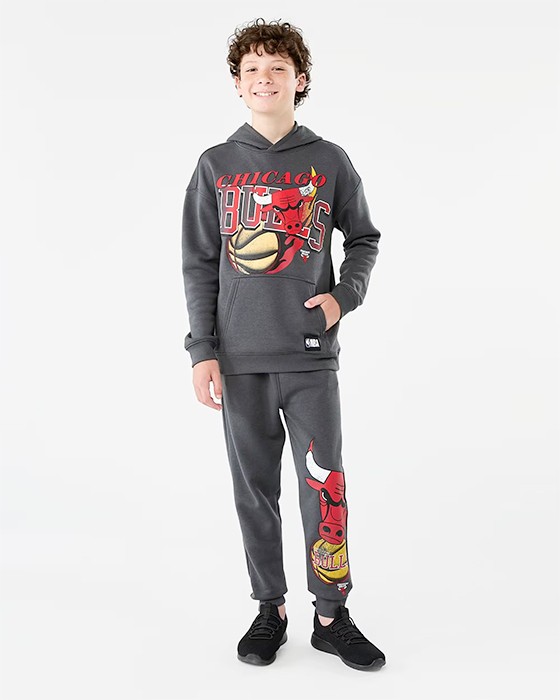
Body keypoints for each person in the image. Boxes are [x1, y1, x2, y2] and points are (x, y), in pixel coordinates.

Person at [181, 17, 386, 671]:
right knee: (255, 491)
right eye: (252, 70)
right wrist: (202, 349)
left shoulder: (329, 161)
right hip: (239, 361)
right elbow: (199, 263)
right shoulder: (216, 166)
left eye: (277, 68)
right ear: (237, 84)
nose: (264, 79)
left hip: (309, 358)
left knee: (325, 487)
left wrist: (343, 296)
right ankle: (269, 608)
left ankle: (331, 614)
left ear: (300, 80)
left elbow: (364, 238)